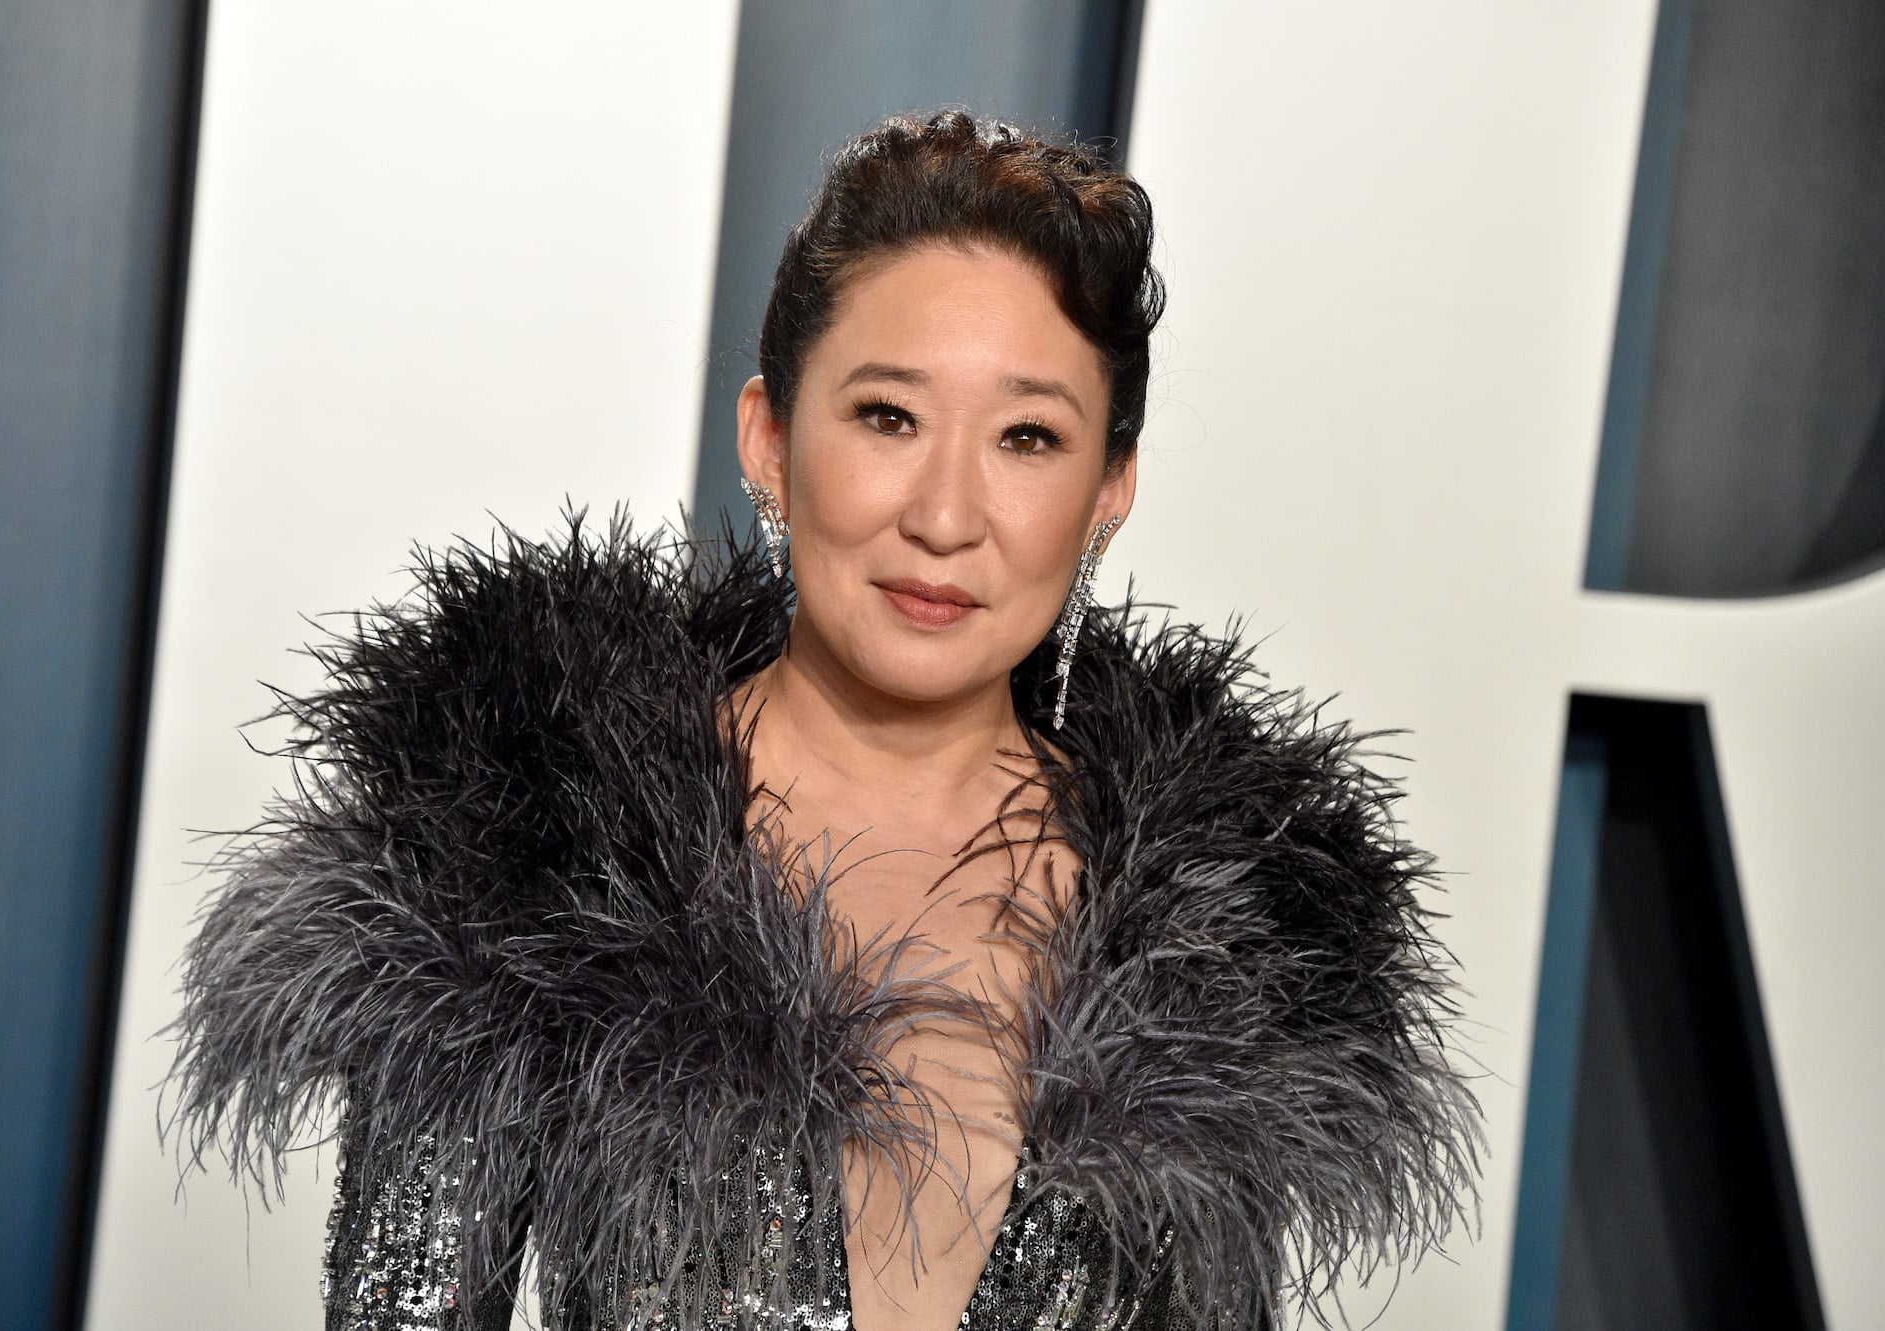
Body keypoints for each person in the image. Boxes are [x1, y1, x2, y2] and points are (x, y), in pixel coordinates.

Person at [170, 110, 1478, 1331]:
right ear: (770, 441)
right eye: (888, 417)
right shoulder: (529, 859)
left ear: (1110, 491)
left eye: (1028, 438)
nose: (946, 516)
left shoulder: (1227, 955)